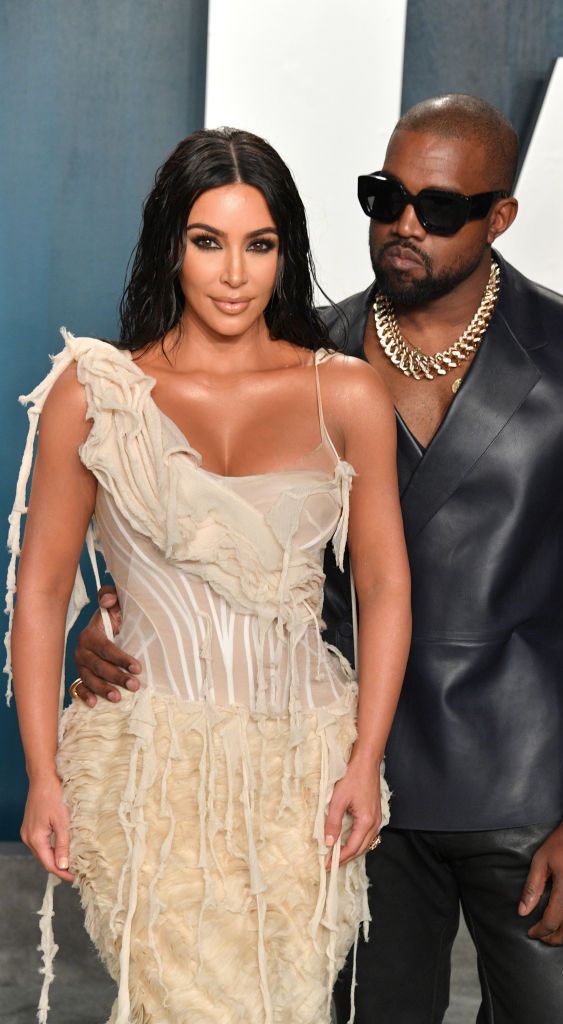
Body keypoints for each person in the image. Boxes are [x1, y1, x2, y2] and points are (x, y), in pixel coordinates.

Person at [71, 95, 563, 1024]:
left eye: (436, 209)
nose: (402, 224)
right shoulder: (310, 352)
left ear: (498, 218)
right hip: (346, 784)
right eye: (383, 195)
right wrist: (103, 620)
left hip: (529, 787)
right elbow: (218, 538)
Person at [7, 127, 411, 1024]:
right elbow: (40, 595)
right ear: (170, 246)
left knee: (290, 1006)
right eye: (208, 241)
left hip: (303, 771)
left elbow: (383, 588)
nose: (234, 273)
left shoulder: (344, 393)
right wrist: (42, 772)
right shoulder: (97, 391)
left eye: (259, 245)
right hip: (144, 770)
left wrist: (363, 759)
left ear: (286, 253)